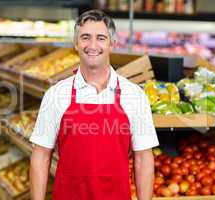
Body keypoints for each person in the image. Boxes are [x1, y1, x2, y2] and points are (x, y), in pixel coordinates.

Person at [30, 10, 159, 200]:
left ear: (112, 43)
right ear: (75, 44)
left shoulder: (134, 96)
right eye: (85, 37)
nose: (92, 45)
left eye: (100, 38)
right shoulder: (56, 94)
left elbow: (143, 160)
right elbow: (40, 156)